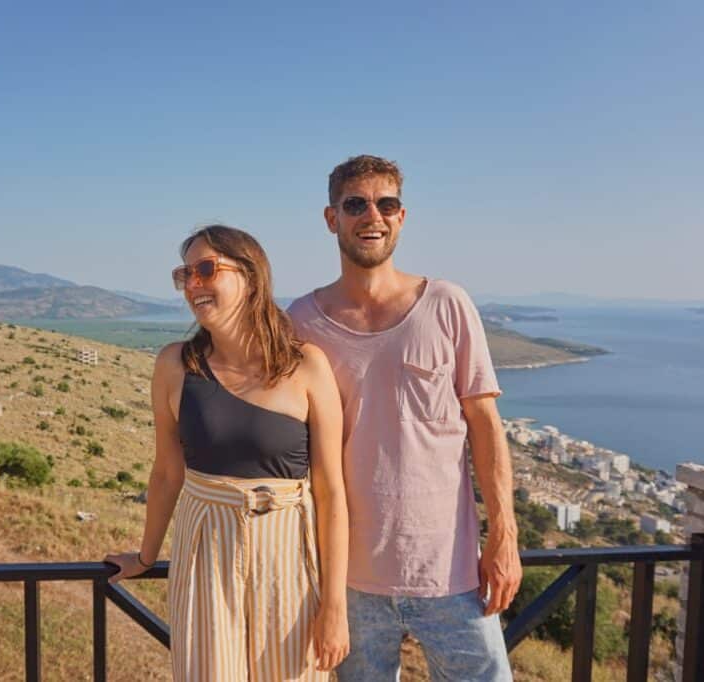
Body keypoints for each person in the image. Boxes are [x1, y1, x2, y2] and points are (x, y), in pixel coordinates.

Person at [287, 155, 521, 681]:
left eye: (385, 203)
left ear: (401, 216)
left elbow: (485, 423)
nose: (373, 215)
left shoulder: (447, 303)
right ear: (332, 219)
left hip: (451, 573)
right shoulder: (300, 321)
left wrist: (504, 534)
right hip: (348, 580)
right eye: (356, 204)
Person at [105, 225, 350, 681]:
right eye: (185, 275)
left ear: (251, 277)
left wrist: (334, 605)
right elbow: (165, 474)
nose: (193, 284)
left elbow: (331, 491)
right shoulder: (173, 365)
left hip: (289, 558)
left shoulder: (306, 366)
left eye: (206, 269)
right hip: (205, 552)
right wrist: (145, 556)